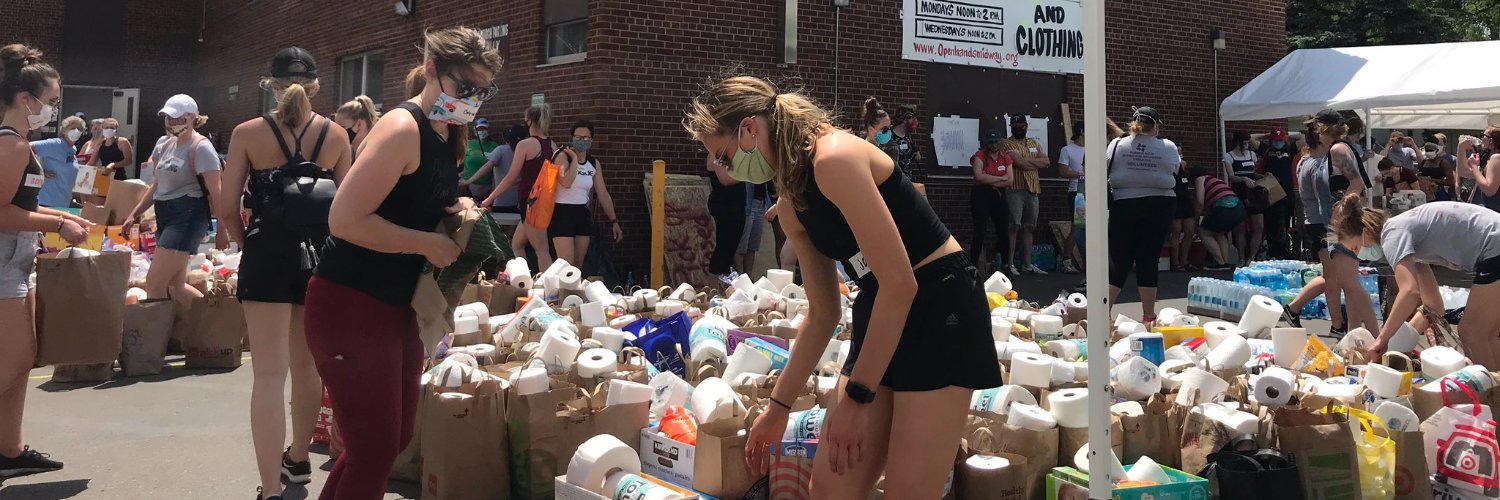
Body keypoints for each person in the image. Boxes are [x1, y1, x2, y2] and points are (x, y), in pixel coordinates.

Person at [686, 75, 999, 498]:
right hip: (882, 304)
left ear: (749, 129)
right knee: (831, 488)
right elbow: (824, 312)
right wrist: (778, 408)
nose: (724, 169)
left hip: (940, 304)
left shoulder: (832, 159)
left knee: (909, 491)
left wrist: (856, 398)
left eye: (723, 157)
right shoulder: (792, 196)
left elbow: (901, 283)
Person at [305, 27, 500, 500]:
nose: (472, 100)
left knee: (391, 442)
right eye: (466, 88)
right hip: (351, 302)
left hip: (396, 306)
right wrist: (424, 243)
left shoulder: (445, 131)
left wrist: (447, 212)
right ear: (433, 71)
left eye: (482, 91)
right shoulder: (401, 127)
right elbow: (344, 219)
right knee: (373, 451)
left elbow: (405, 198)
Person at [219, 47, 352, 500]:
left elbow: (227, 206)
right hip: (319, 257)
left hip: (267, 253)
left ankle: (271, 490)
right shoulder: (335, 135)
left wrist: (246, 240)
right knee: (306, 366)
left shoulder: (247, 133)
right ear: (316, 85)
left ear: (269, 85)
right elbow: (348, 207)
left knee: (269, 376)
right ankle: (298, 456)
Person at [0, 43, 78, 482]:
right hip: (4, 259)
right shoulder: (9, 146)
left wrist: (60, 216)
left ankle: (8, 449)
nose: (53, 109)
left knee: (21, 358)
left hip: (18, 258)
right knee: (12, 359)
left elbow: (21, 202)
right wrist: (57, 225)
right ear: (25, 99)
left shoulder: (18, 142)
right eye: (49, 101)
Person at [1337, 196, 1500, 366]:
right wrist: (1404, 338)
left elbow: (1409, 291)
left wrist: (1382, 339)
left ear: (1367, 233)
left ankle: (1486, 391)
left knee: (1471, 332)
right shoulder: (1409, 238)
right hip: (1493, 242)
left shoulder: (1391, 234)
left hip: (1493, 245)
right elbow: (1434, 307)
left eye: (1355, 248)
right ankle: (1493, 387)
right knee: (1487, 334)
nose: (1359, 255)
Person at [121, 94, 222, 309]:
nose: (171, 123)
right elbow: (158, 184)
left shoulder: (202, 148)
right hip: (165, 212)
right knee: (175, 286)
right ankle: (214, 321)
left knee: (155, 281)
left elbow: (216, 192)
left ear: (192, 117)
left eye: (177, 118)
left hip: (188, 214)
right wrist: (134, 213)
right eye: (168, 117)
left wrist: (223, 229)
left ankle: (155, 338)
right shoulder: (164, 144)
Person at [1283, 109, 1378, 335]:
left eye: (1316, 127)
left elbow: (1357, 184)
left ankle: (1376, 337)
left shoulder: (1338, 149)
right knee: (1348, 283)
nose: (1313, 131)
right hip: (1338, 221)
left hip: (1344, 222)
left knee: (1350, 284)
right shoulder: (1331, 151)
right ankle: (1355, 334)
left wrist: (1340, 208)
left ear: (1324, 128)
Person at [1105, 106, 1180, 323]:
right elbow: (1174, 170)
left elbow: (1106, 165)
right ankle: (1148, 315)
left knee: (1119, 258)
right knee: (1149, 257)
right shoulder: (1167, 146)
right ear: (1155, 126)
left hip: (1124, 203)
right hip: (1160, 203)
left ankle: (1104, 312)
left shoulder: (1117, 144)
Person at [483, 103, 561, 271]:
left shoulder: (525, 145)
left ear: (530, 121)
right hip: (545, 201)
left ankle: (547, 291)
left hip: (530, 201)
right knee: (517, 245)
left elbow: (510, 177)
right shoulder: (552, 145)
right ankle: (524, 279)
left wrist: (489, 198)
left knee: (542, 250)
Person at [549, 120, 621, 266]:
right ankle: (556, 288)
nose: (581, 141)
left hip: (582, 212)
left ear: (591, 140)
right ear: (572, 137)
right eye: (578, 137)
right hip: (562, 211)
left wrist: (614, 220)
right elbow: (566, 182)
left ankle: (574, 289)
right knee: (565, 263)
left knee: (578, 263)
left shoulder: (594, 164)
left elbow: (603, 193)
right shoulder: (563, 156)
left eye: (586, 138)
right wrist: (575, 159)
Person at [1004, 114, 1048, 275]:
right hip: (1015, 190)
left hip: (1033, 190)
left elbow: (1046, 162)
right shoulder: (1006, 143)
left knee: (1029, 227)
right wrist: (1033, 163)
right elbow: (1019, 162)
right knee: (1014, 226)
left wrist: (1026, 162)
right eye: (1015, 128)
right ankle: (1010, 264)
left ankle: (1028, 264)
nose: (1018, 130)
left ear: (1026, 127)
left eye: (1021, 127)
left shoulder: (1034, 143)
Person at [969, 129, 1012, 275]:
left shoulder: (1005, 158)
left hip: (999, 194)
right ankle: (972, 265)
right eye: (991, 142)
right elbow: (979, 177)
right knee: (980, 230)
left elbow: (1010, 180)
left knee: (1003, 230)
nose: (994, 145)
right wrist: (1001, 178)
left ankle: (1004, 264)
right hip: (981, 194)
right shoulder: (979, 156)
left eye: (997, 142)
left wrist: (991, 179)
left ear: (1001, 142)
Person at [1192, 165, 1246, 269]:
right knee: (1219, 233)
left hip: (1224, 208)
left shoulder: (1200, 179)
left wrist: (1196, 221)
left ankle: (1219, 262)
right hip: (1239, 207)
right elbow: (1210, 211)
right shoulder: (1215, 180)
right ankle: (1225, 262)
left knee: (1204, 233)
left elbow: (1199, 202)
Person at [1256, 128, 1297, 259]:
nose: (1278, 142)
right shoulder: (1267, 151)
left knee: (1284, 223)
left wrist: (1286, 136)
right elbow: (1253, 138)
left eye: (1280, 140)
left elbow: (1302, 138)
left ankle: (1283, 253)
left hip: (1287, 193)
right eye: (1275, 140)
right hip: (1271, 191)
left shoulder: (1290, 150)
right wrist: (1267, 134)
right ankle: (1273, 252)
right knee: (1271, 223)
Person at [1224, 131, 1262, 265]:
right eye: (1244, 143)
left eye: (1247, 142)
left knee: (1259, 226)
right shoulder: (1229, 156)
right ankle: (1241, 257)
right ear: (1237, 143)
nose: (1246, 145)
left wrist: (1261, 176)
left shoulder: (1252, 155)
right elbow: (1231, 176)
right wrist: (1244, 179)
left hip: (1253, 193)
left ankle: (1252, 257)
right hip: (1239, 192)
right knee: (1240, 227)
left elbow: (1254, 172)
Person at [706, 152, 746, 279]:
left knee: (731, 248)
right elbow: (726, 179)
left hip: (736, 205)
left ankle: (723, 283)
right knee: (723, 246)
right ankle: (712, 286)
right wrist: (749, 175)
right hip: (724, 205)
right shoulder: (716, 153)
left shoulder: (731, 153)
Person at [468, 123, 523, 213]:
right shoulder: (526, 152)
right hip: (519, 200)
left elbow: (487, 166)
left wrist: (469, 181)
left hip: (501, 199)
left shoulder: (500, 150)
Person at [32, 115, 83, 208]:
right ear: (64, 130)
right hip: (47, 202)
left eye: (79, 128)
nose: (76, 131)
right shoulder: (55, 144)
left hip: (63, 202)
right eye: (72, 128)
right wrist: (39, 170)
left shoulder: (72, 149)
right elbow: (28, 148)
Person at [1058, 126, 1085, 273]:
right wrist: (1080, 173)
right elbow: (1063, 171)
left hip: (1093, 191)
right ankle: (1066, 260)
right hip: (1077, 191)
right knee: (1078, 226)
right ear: (1081, 131)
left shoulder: (1093, 148)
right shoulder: (1067, 150)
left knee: (1091, 227)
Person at [1458, 128, 1500, 213]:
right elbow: (1464, 172)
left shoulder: (1496, 158)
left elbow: (1489, 190)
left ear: (1491, 140)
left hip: (1493, 212)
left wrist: (1474, 166)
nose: (1481, 139)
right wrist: (1461, 147)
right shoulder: (1489, 158)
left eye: (1483, 136)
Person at [458, 117, 500, 200]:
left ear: (488, 130)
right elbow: (462, 162)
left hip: (487, 187)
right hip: (468, 187)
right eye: (479, 129)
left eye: (484, 129)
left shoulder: (495, 147)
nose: (481, 131)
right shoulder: (468, 144)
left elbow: (496, 169)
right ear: (475, 131)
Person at [1169, 156, 1199, 271]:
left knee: (1189, 231)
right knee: (1176, 230)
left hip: (1185, 202)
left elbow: (1183, 162)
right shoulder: (1169, 169)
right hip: (1174, 201)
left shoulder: (1183, 167)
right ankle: (1175, 262)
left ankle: (1184, 260)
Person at [739, 181, 770, 275]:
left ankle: (749, 276)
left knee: (752, 246)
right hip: (747, 204)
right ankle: (739, 278)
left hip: (761, 202)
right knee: (741, 247)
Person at [90, 117, 135, 182]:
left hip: (119, 178)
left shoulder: (122, 142)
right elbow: (92, 161)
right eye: (106, 128)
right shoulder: (100, 143)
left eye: (112, 128)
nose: (109, 130)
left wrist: (113, 165)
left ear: (116, 129)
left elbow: (129, 160)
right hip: (104, 176)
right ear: (102, 129)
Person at [888, 105, 920, 179]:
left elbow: (917, 157)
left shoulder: (908, 136)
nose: (915, 122)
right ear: (905, 119)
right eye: (913, 118)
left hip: (907, 181)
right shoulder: (889, 136)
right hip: (894, 181)